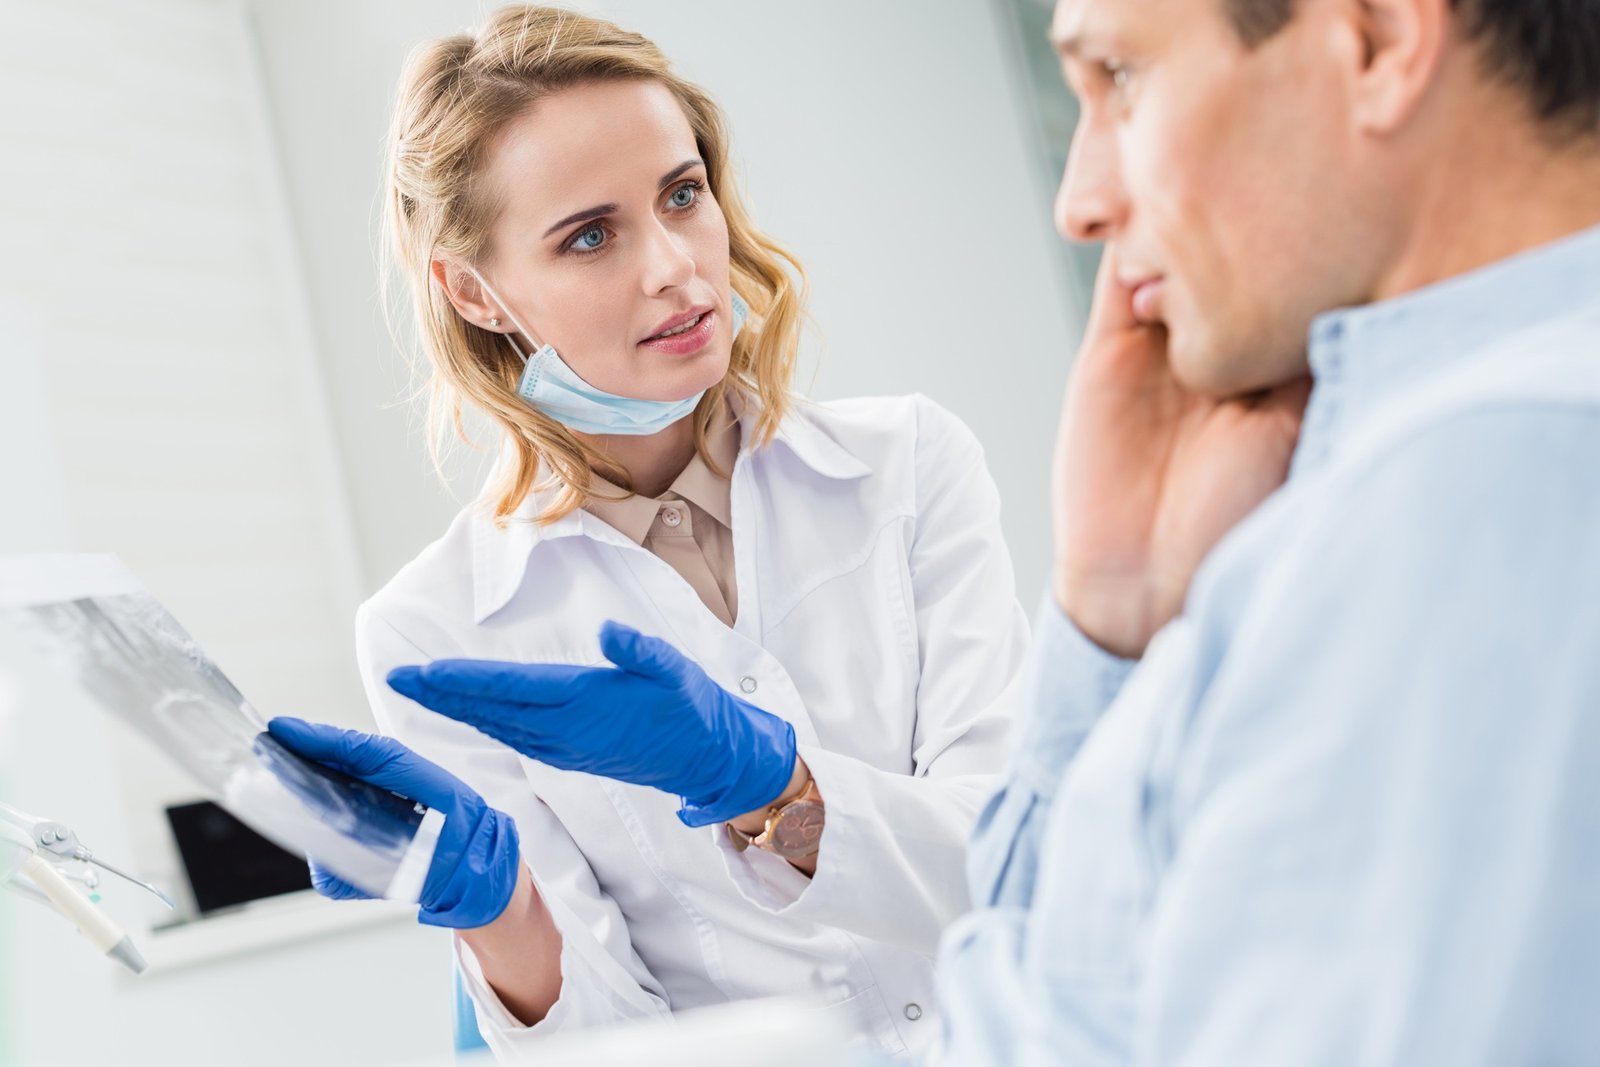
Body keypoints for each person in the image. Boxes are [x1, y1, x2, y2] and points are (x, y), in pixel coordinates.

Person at [266, 4, 1027, 1060]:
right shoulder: (434, 627)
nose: (673, 265)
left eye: (682, 195)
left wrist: (782, 794)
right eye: (590, 234)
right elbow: (612, 1042)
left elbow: (1020, 862)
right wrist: (502, 921)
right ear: (475, 290)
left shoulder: (907, 466)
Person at [925, 0, 1600, 1062]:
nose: (1081, 201)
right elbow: (1074, 986)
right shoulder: (1383, 488)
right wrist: (1117, 617)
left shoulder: (1471, 494)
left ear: (1376, 40)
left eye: (1121, 76)